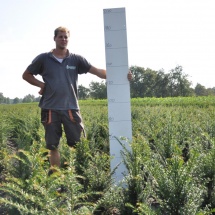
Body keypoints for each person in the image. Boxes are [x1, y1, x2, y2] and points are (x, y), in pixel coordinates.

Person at [22, 26, 132, 173]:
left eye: (66, 37)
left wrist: (122, 74)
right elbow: (26, 75)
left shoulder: (76, 59)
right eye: (60, 36)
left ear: (69, 39)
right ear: (54, 38)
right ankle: (56, 181)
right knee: (52, 146)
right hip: (50, 109)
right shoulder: (43, 59)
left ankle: (77, 177)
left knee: (78, 145)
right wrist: (42, 84)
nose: (63, 39)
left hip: (71, 108)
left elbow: (98, 72)